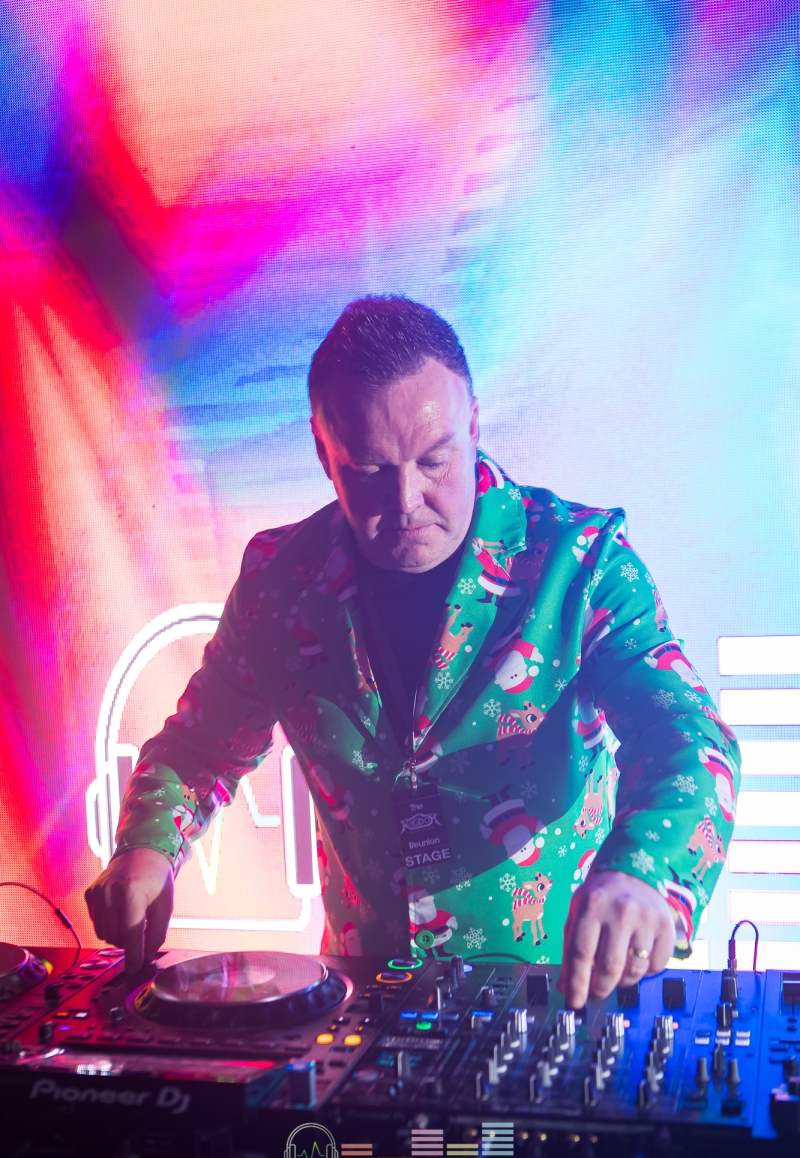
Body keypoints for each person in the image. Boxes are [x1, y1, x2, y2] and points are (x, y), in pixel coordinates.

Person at [85, 296, 740, 1009]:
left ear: (474, 425)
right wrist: (147, 846)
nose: (406, 501)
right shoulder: (278, 582)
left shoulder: (581, 562)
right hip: (362, 997)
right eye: (369, 469)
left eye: (434, 460)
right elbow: (200, 748)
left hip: (556, 995)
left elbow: (687, 735)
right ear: (322, 451)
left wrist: (644, 871)